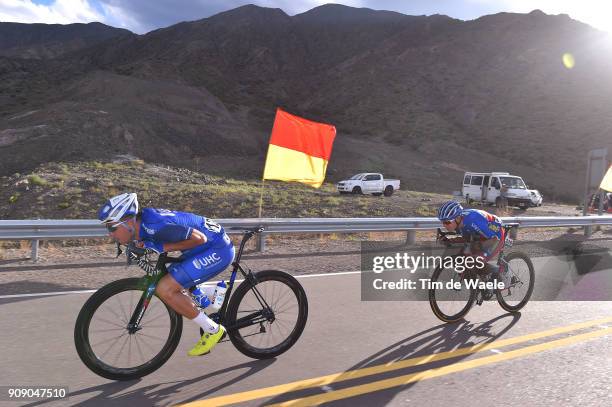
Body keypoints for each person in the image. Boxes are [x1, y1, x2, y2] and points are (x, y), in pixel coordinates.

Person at [97, 192, 235, 356]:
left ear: (128, 222)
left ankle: (212, 329)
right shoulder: (141, 226)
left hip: (216, 248)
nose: (109, 233)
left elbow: (199, 238)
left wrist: (160, 248)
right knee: (169, 276)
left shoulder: (155, 225)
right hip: (201, 247)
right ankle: (210, 294)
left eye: (112, 227)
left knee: (165, 289)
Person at [436, 200, 510, 288]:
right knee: (461, 258)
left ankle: (500, 271)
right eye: (442, 222)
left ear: (457, 218)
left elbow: (494, 240)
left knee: (475, 259)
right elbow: (466, 238)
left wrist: (476, 248)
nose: (444, 225)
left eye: (447, 222)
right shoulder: (460, 223)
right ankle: (475, 289)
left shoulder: (473, 220)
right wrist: (450, 240)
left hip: (496, 236)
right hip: (482, 236)